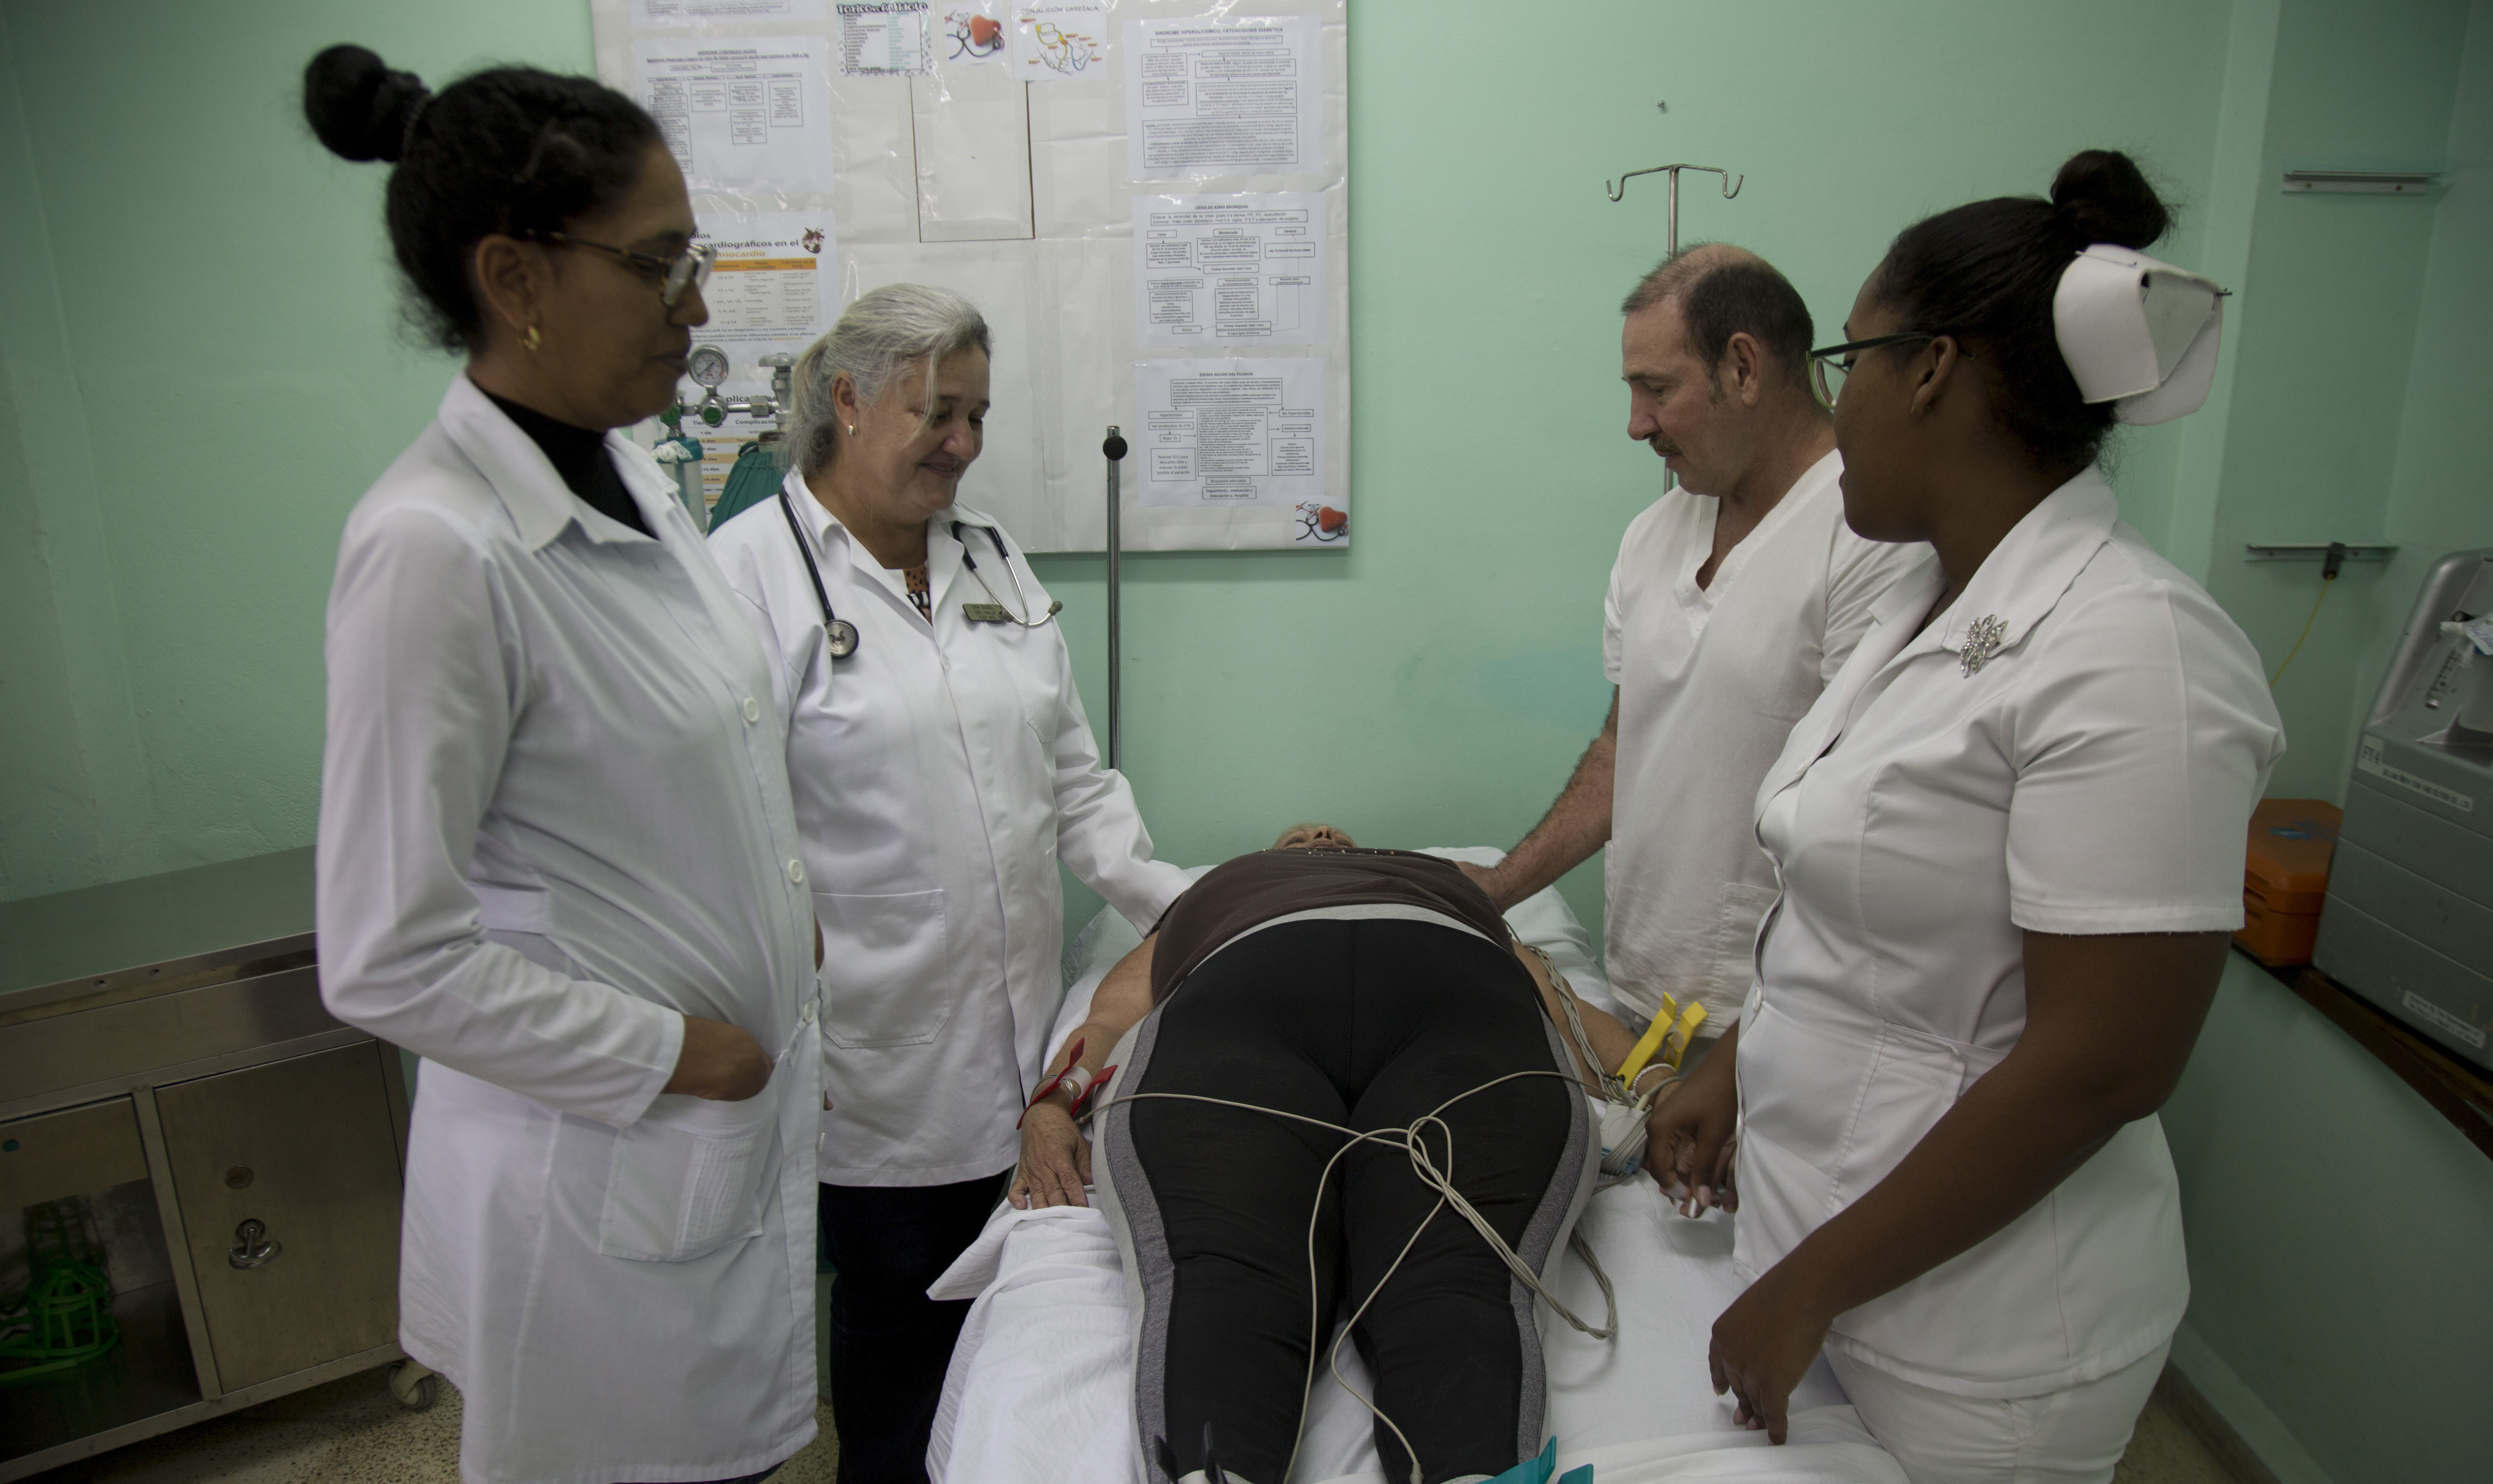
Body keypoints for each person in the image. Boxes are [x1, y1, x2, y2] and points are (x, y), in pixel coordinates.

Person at [1648, 150, 2283, 1484]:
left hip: (1981, 1336)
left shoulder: (2134, 651)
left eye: (1854, 360)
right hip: (1820, 1239)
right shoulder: (1911, 602)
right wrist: (1742, 1064)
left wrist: (1814, 1280)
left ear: (1930, 368)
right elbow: (1858, 911)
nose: (1838, 400)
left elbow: (2107, 1064)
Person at [306, 47, 821, 1484]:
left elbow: (684, 753)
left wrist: (784, 913)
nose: (701, 305)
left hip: (704, 1151)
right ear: (515, 279)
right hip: (600, 1167)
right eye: (660, 266)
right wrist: (679, 1052)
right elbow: (383, 957)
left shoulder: (629, 472)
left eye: (692, 257)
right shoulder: (433, 548)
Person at [707, 285, 1190, 1484]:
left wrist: (1193, 915)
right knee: (896, 1339)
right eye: (938, 412)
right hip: (870, 1063)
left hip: (1029, 1045)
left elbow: (1076, 783)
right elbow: (724, 840)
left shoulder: (993, 559)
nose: (965, 445)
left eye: (977, 414)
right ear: (849, 401)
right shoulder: (743, 579)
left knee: (1021, 1328)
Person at [1014, 823, 1660, 1484]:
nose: (1319, 830)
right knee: (1223, 1273)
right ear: (1267, 853)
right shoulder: (1213, 891)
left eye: (1332, 831)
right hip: (1240, 1002)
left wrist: (1657, 1087)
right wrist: (1051, 1104)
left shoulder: (1441, 883)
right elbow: (1108, 1017)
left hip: (1458, 999)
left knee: (1459, 1279)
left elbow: (1560, 1002)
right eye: (1299, 832)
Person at [1465, 246, 1925, 1044]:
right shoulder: (1653, 536)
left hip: (1783, 1017)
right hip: (1643, 988)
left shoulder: (1868, 540)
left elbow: (1871, 830)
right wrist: (1495, 887)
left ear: (1743, 367)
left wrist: (1749, 1052)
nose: (1637, 423)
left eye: (1657, 389)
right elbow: (1624, 746)